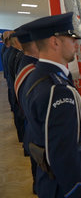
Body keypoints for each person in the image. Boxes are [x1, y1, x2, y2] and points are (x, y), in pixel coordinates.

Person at [18, 12, 81, 197]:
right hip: (64, 186)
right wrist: (79, 192)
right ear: (55, 42)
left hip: (49, 179)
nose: (77, 44)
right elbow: (63, 156)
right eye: (71, 39)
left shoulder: (38, 75)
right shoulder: (57, 90)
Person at [13, 24, 40, 194]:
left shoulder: (26, 64)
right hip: (35, 131)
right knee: (39, 169)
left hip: (31, 128)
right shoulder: (32, 70)